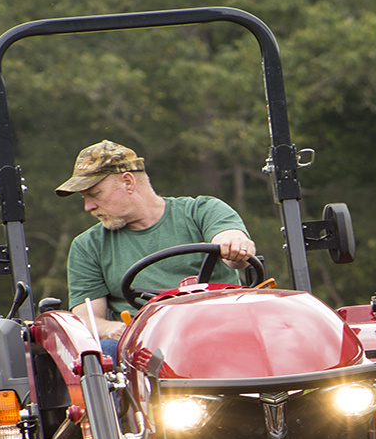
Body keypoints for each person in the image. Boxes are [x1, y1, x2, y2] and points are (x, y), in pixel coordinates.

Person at [56, 140, 258, 345]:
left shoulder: (202, 211)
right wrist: (110, 329)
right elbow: (87, 318)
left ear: (128, 182)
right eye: (84, 198)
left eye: (94, 194)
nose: (88, 206)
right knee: (102, 351)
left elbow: (231, 242)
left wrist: (234, 245)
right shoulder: (88, 246)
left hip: (222, 328)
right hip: (148, 344)